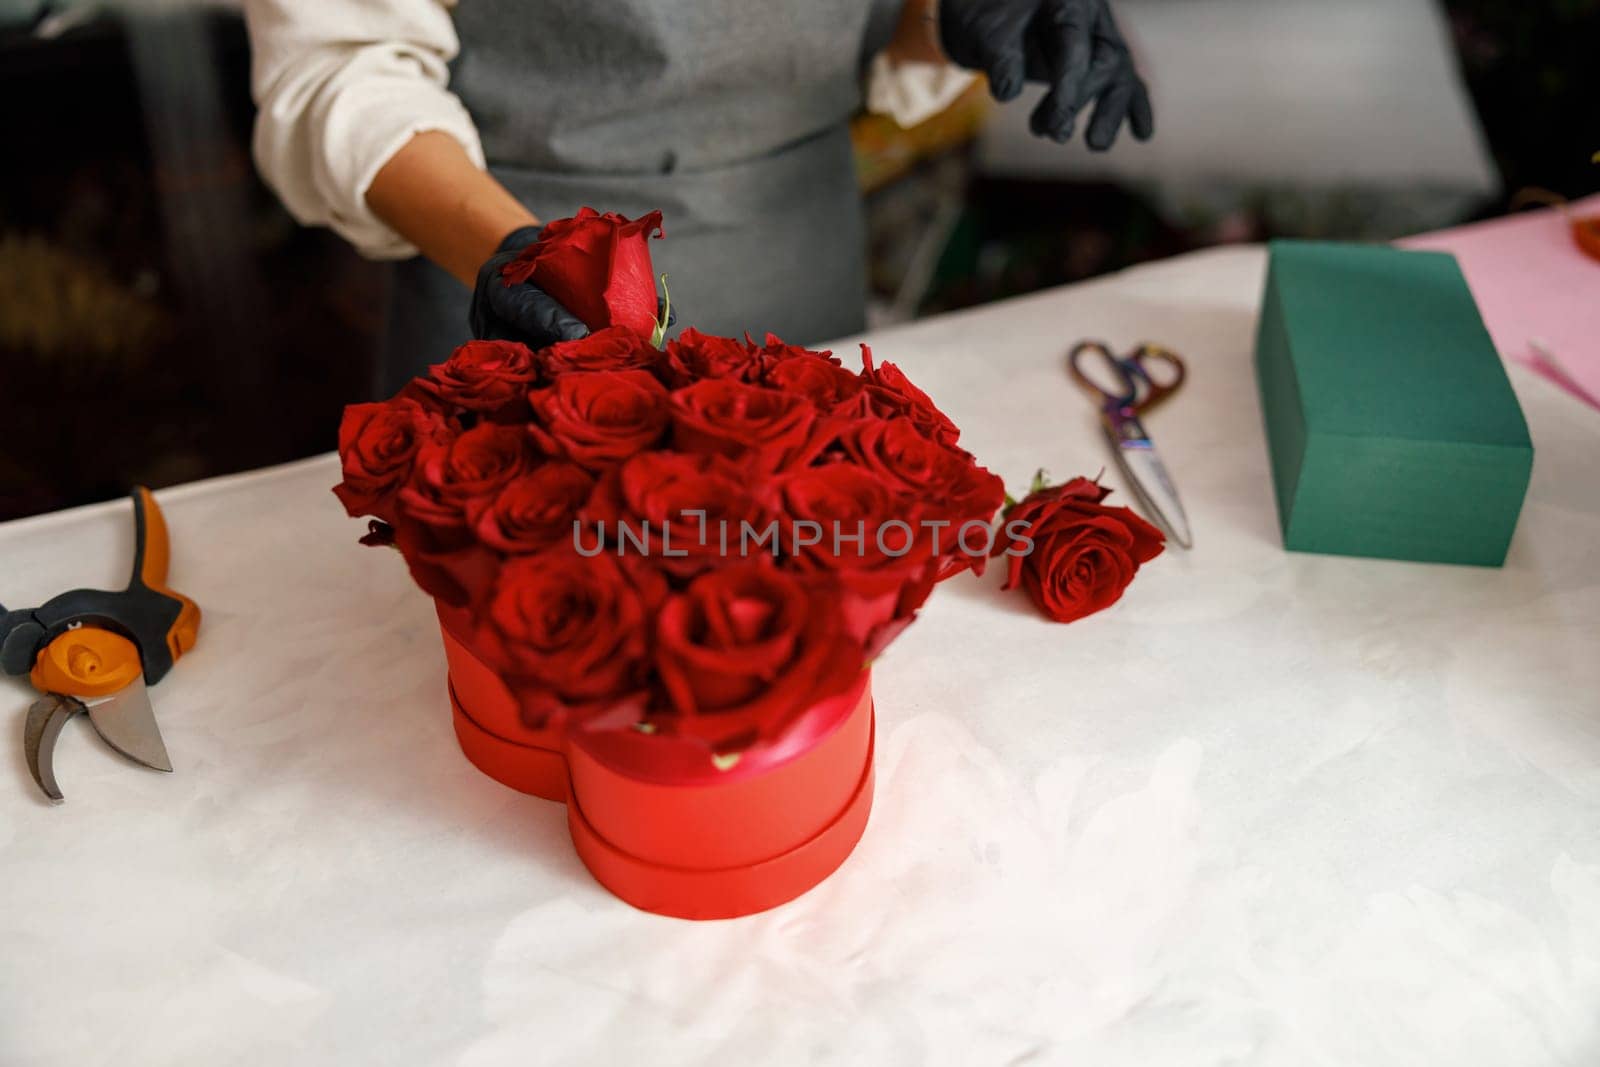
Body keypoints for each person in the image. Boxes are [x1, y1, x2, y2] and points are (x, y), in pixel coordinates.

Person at [244, 0, 1154, 393]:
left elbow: (857, 34)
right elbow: (340, 69)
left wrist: (951, 23)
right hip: (505, 291)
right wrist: (517, 255)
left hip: (805, 281)